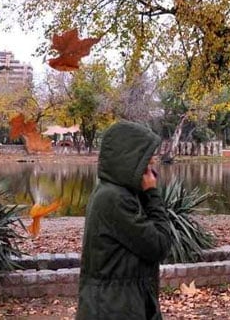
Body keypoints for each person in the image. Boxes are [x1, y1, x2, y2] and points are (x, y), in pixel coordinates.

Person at [77, 120, 170, 319]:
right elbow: (159, 245)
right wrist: (152, 193)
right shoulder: (115, 199)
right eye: (147, 160)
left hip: (119, 302)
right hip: (114, 307)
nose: (151, 168)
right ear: (130, 159)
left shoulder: (116, 192)